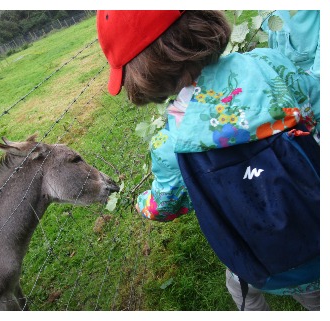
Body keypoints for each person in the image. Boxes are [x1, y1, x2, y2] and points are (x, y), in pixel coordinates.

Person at [96, 10, 319, 310]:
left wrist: (143, 203)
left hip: (264, 265)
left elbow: (166, 205)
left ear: (142, 72)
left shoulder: (170, 143)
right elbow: (311, 110)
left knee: (241, 287)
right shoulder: (268, 63)